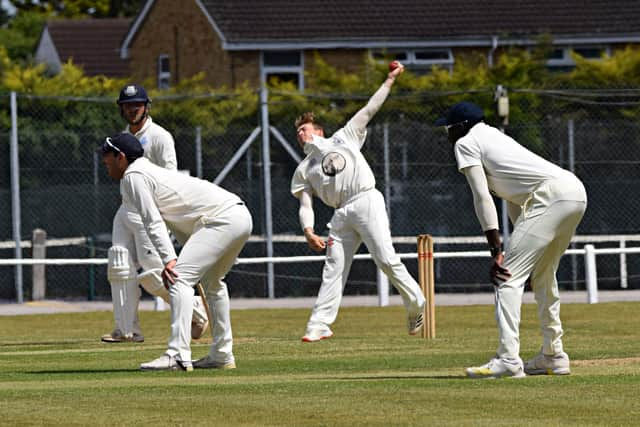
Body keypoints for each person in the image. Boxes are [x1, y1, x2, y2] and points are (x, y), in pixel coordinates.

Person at [435, 101, 587, 378]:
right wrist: (522, 250)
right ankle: (553, 355)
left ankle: (508, 359)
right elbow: (518, 199)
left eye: (448, 128)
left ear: (460, 127)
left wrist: (497, 250)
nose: (447, 135)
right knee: (543, 276)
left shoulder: (466, 142)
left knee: (506, 277)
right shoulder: (495, 136)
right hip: (574, 192)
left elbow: (481, 197)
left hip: (550, 195)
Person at [291, 61, 426, 342]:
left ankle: (416, 303)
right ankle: (318, 325)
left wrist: (389, 80)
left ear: (318, 130)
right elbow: (305, 204)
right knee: (333, 268)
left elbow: (370, 109)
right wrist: (308, 231)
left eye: (304, 129)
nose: (300, 135)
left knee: (385, 259)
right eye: (298, 132)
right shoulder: (304, 168)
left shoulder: (345, 137)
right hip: (340, 214)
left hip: (365, 199)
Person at [99, 132, 252, 371]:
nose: (104, 162)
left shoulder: (134, 175)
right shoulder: (145, 172)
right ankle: (222, 354)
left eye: (107, 156)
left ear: (121, 157)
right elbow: (180, 218)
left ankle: (177, 355)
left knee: (178, 280)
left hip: (221, 219)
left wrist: (170, 260)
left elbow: (153, 221)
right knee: (213, 284)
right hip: (239, 215)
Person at [101, 84, 208, 343]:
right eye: (127, 106)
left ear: (146, 107)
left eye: (136, 105)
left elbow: (171, 179)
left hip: (150, 211)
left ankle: (197, 311)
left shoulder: (160, 137)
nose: (131, 109)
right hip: (126, 207)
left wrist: (165, 218)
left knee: (152, 274)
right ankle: (127, 329)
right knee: (119, 262)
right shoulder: (122, 137)